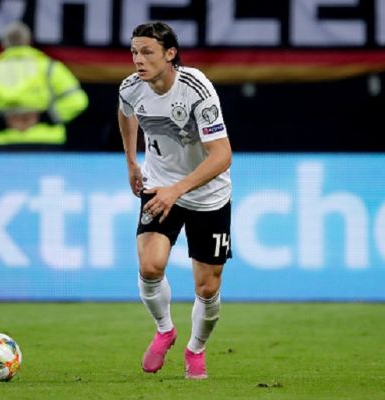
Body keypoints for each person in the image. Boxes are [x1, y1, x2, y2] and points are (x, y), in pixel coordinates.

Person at [117, 21, 233, 380]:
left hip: (207, 194)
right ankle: (165, 329)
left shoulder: (197, 90)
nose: (138, 59)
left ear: (170, 54)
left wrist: (177, 190)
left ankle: (195, 350)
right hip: (159, 186)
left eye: (147, 52)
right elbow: (126, 114)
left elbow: (222, 156)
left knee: (207, 287)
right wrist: (132, 161)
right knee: (150, 266)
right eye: (135, 52)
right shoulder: (132, 88)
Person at [0, 21, 88, 151]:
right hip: (45, 142)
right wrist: (44, 117)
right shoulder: (50, 69)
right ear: (29, 41)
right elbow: (77, 101)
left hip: (0, 144)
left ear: (4, 44)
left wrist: (1, 121)